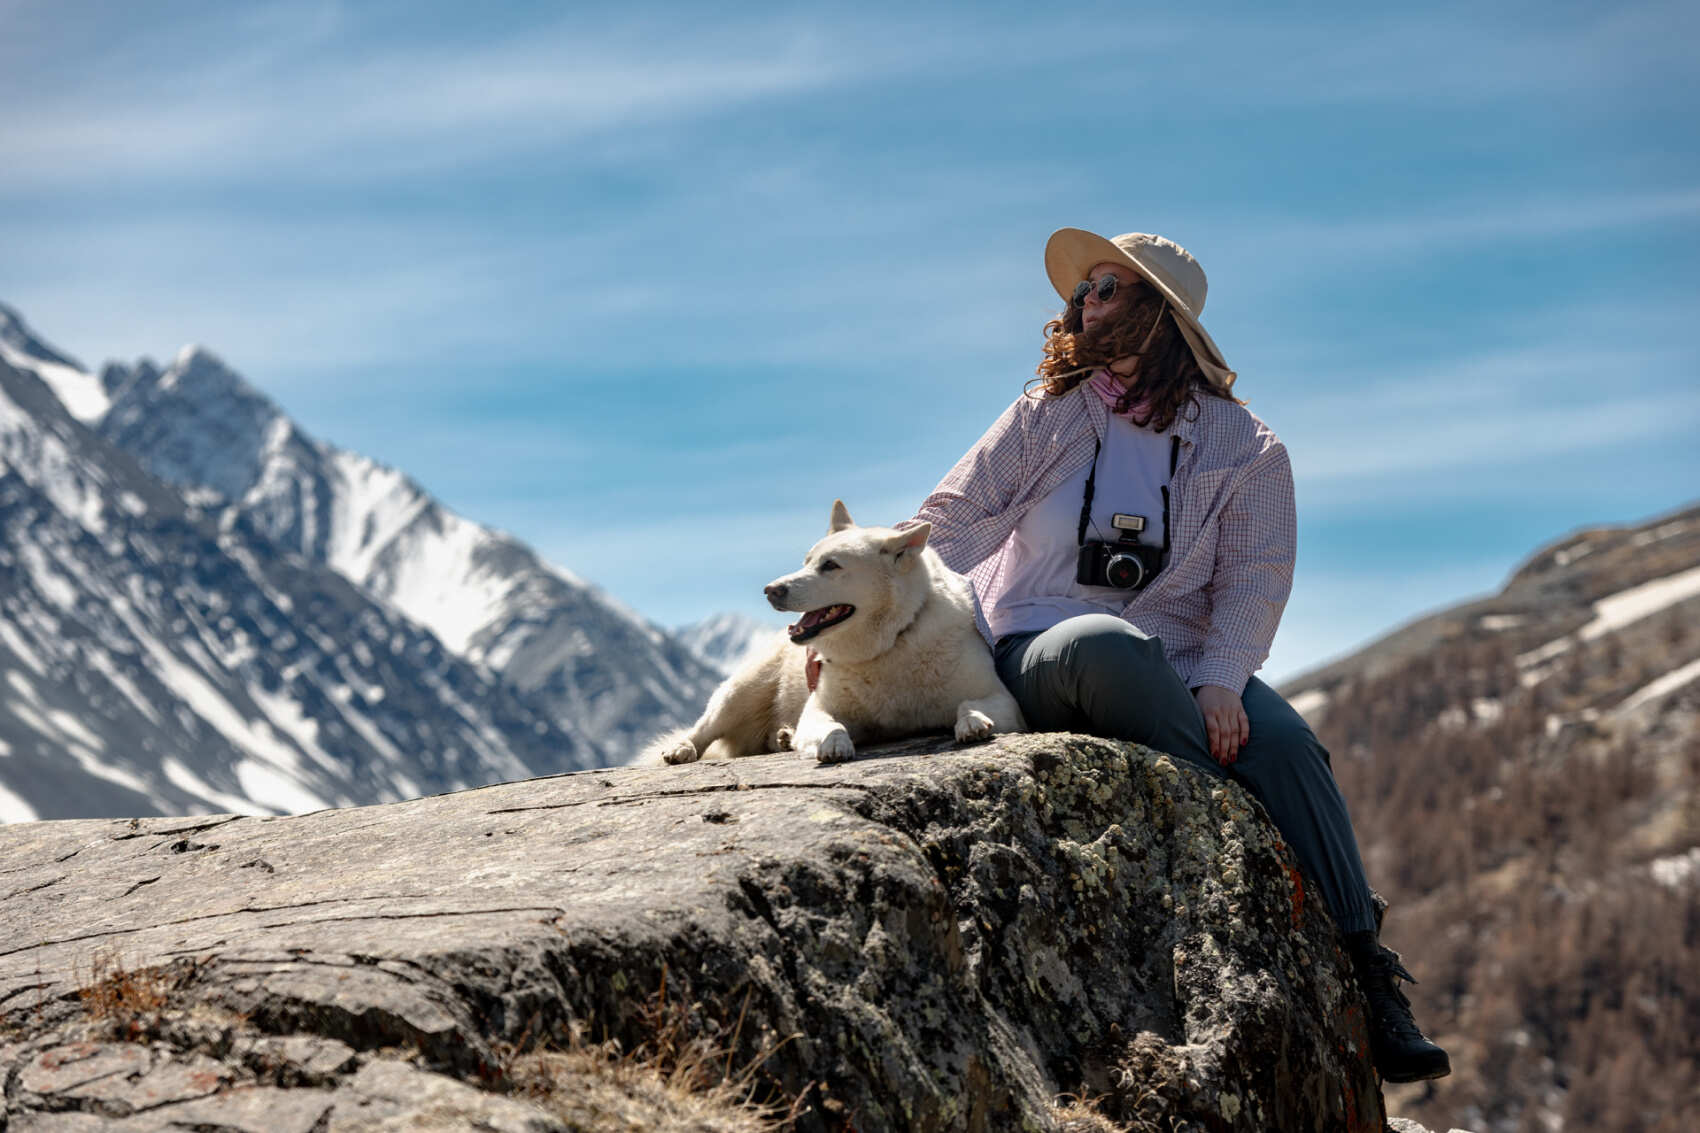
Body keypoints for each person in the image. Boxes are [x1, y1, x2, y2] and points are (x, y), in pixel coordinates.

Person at [905, 227, 1451, 1084]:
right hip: (1037, 648)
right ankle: (1240, 833)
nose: (1085, 302)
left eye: (1109, 289)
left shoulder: (1248, 447)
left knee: (1288, 743)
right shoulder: (1044, 415)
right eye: (1084, 289)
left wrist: (1224, 683)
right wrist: (890, 603)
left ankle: (1363, 961)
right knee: (1103, 643)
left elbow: (1254, 580)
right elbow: (948, 521)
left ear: (1161, 317)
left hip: (1186, 657)